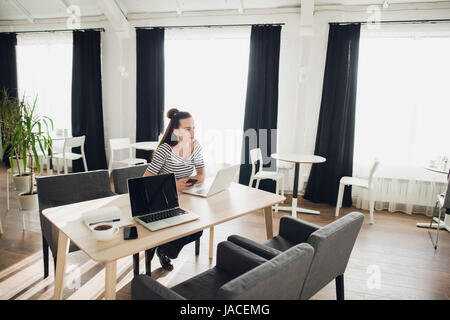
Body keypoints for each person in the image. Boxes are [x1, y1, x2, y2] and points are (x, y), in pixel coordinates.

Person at [143, 108, 205, 271]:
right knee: (185, 228)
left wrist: (191, 181)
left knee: (198, 230)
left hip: (183, 198)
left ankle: (163, 248)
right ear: (176, 132)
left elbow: (201, 174)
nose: (192, 133)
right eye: (187, 129)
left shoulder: (195, 146)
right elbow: (146, 182)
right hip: (161, 199)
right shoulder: (165, 150)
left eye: (193, 128)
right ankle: (158, 246)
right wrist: (172, 185)